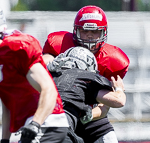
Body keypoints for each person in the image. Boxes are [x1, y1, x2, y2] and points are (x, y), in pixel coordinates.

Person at [43, 5, 130, 143]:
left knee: (109, 139)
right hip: (56, 109)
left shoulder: (113, 60)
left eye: (95, 31)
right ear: (76, 31)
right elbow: (39, 68)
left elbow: (105, 106)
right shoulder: (59, 44)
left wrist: (87, 116)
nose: (90, 35)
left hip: (88, 113)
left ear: (103, 33)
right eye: (85, 30)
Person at [0, 3, 69, 143]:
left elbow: (49, 89)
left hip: (48, 123)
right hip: (32, 126)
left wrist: (35, 124)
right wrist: (4, 140)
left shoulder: (15, 48)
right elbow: (7, 102)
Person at [48, 46, 126, 143]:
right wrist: (119, 89)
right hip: (60, 126)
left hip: (32, 122)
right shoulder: (85, 77)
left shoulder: (47, 74)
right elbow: (119, 101)